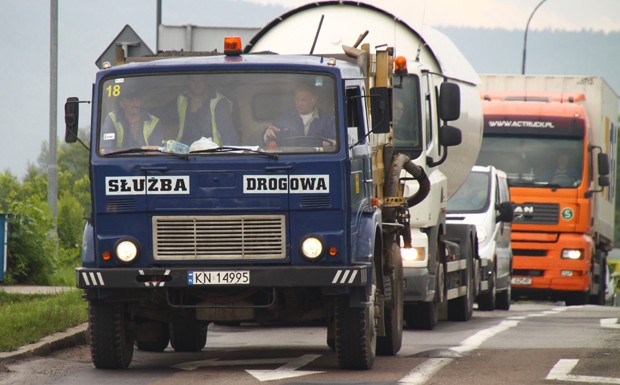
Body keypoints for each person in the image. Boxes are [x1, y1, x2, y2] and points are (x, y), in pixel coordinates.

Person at [263, 83, 336, 147]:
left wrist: (332, 143)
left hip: (318, 160)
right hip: (290, 160)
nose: (299, 104)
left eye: (303, 100)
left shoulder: (327, 120)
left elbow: (336, 142)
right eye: (296, 99)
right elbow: (267, 137)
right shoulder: (285, 118)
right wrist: (267, 135)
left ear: (314, 100)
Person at [173, 75, 238, 146]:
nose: (197, 84)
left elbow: (228, 136)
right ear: (188, 82)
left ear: (207, 81)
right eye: (193, 80)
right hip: (183, 153)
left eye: (201, 80)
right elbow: (163, 115)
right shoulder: (182, 99)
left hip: (210, 154)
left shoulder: (219, 103)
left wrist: (229, 155)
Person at [100, 88, 162, 153]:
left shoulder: (153, 121)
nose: (135, 103)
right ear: (121, 104)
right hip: (119, 161)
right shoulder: (112, 119)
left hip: (147, 161)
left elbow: (158, 150)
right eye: (130, 100)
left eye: (137, 99)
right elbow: (106, 149)